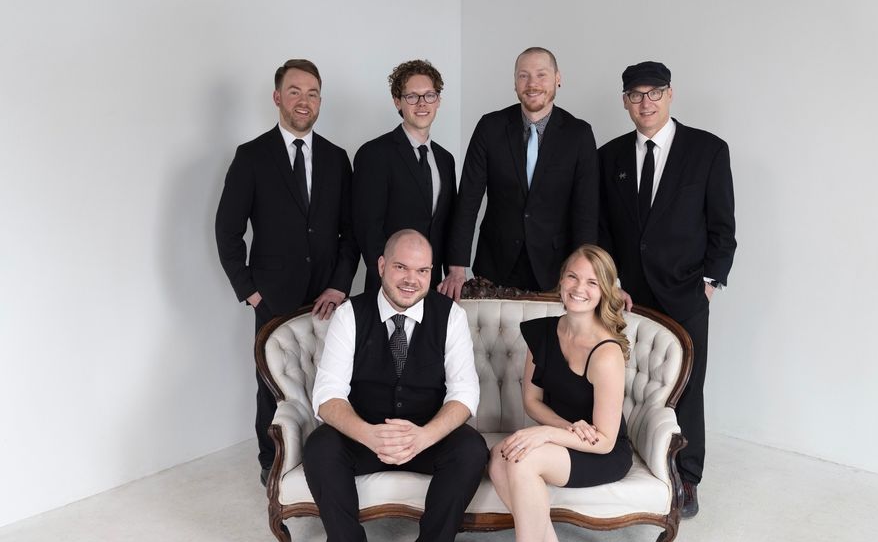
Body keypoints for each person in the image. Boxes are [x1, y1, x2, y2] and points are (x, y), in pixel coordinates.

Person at [597, 61, 736, 518]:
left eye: (654, 93)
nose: (646, 102)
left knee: (686, 385)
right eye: (636, 95)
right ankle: (622, 462)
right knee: (621, 379)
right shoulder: (609, 156)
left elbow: (723, 228)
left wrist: (708, 286)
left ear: (670, 94)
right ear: (625, 101)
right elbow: (602, 228)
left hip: (685, 292)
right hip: (627, 297)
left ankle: (686, 478)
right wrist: (612, 284)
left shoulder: (708, 150)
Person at [214, 59, 359, 485]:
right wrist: (251, 291)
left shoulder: (337, 158)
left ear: (320, 101)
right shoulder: (252, 157)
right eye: (295, 91)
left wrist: (339, 285)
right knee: (273, 382)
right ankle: (272, 462)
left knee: (331, 375)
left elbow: (350, 232)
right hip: (272, 295)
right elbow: (227, 230)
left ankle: (329, 457)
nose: (304, 101)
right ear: (277, 97)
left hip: (327, 296)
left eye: (312, 94)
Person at [303, 230, 488, 542]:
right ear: (381, 266)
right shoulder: (349, 314)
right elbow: (327, 393)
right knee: (320, 447)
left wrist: (424, 436)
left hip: (425, 437)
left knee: (470, 449)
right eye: (401, 267)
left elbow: (465, 392)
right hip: (364, 436)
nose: (411, 280)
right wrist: (368, 434)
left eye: (422, 270)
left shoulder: (451, 316)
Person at [489, 245, 633, 542]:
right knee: (500, 457)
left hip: (601, 450)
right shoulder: (543, 332)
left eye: (592, 282)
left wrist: (546, 434)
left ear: (604, 291)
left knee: (521, 460)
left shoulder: (606, 353)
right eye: (573, 277)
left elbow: (605, 440)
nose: (579, 288)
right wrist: (564, 429)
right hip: (565, 436)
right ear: (561, 280)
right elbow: (532, 401)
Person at [440, 47, 598, 299]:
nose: (532, 84)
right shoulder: (489, 127)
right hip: (494, 265)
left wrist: (585, 274)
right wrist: (457, 268)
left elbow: (586, 211)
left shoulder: (579, 134)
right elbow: (468, 199)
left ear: (558, 78)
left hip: (556, 269)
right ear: (515, 82)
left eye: (541, 75)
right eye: (524, 76)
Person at [353, 60, 456, 292]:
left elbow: (447, 225)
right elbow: (368, 229)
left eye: (429, 95)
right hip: (389, 287)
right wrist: (389, 281)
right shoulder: (374, 154)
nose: (422, 103)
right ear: (397, 101)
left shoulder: (445, 159)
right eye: (412, 96)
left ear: (438, 100)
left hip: (433, 286)